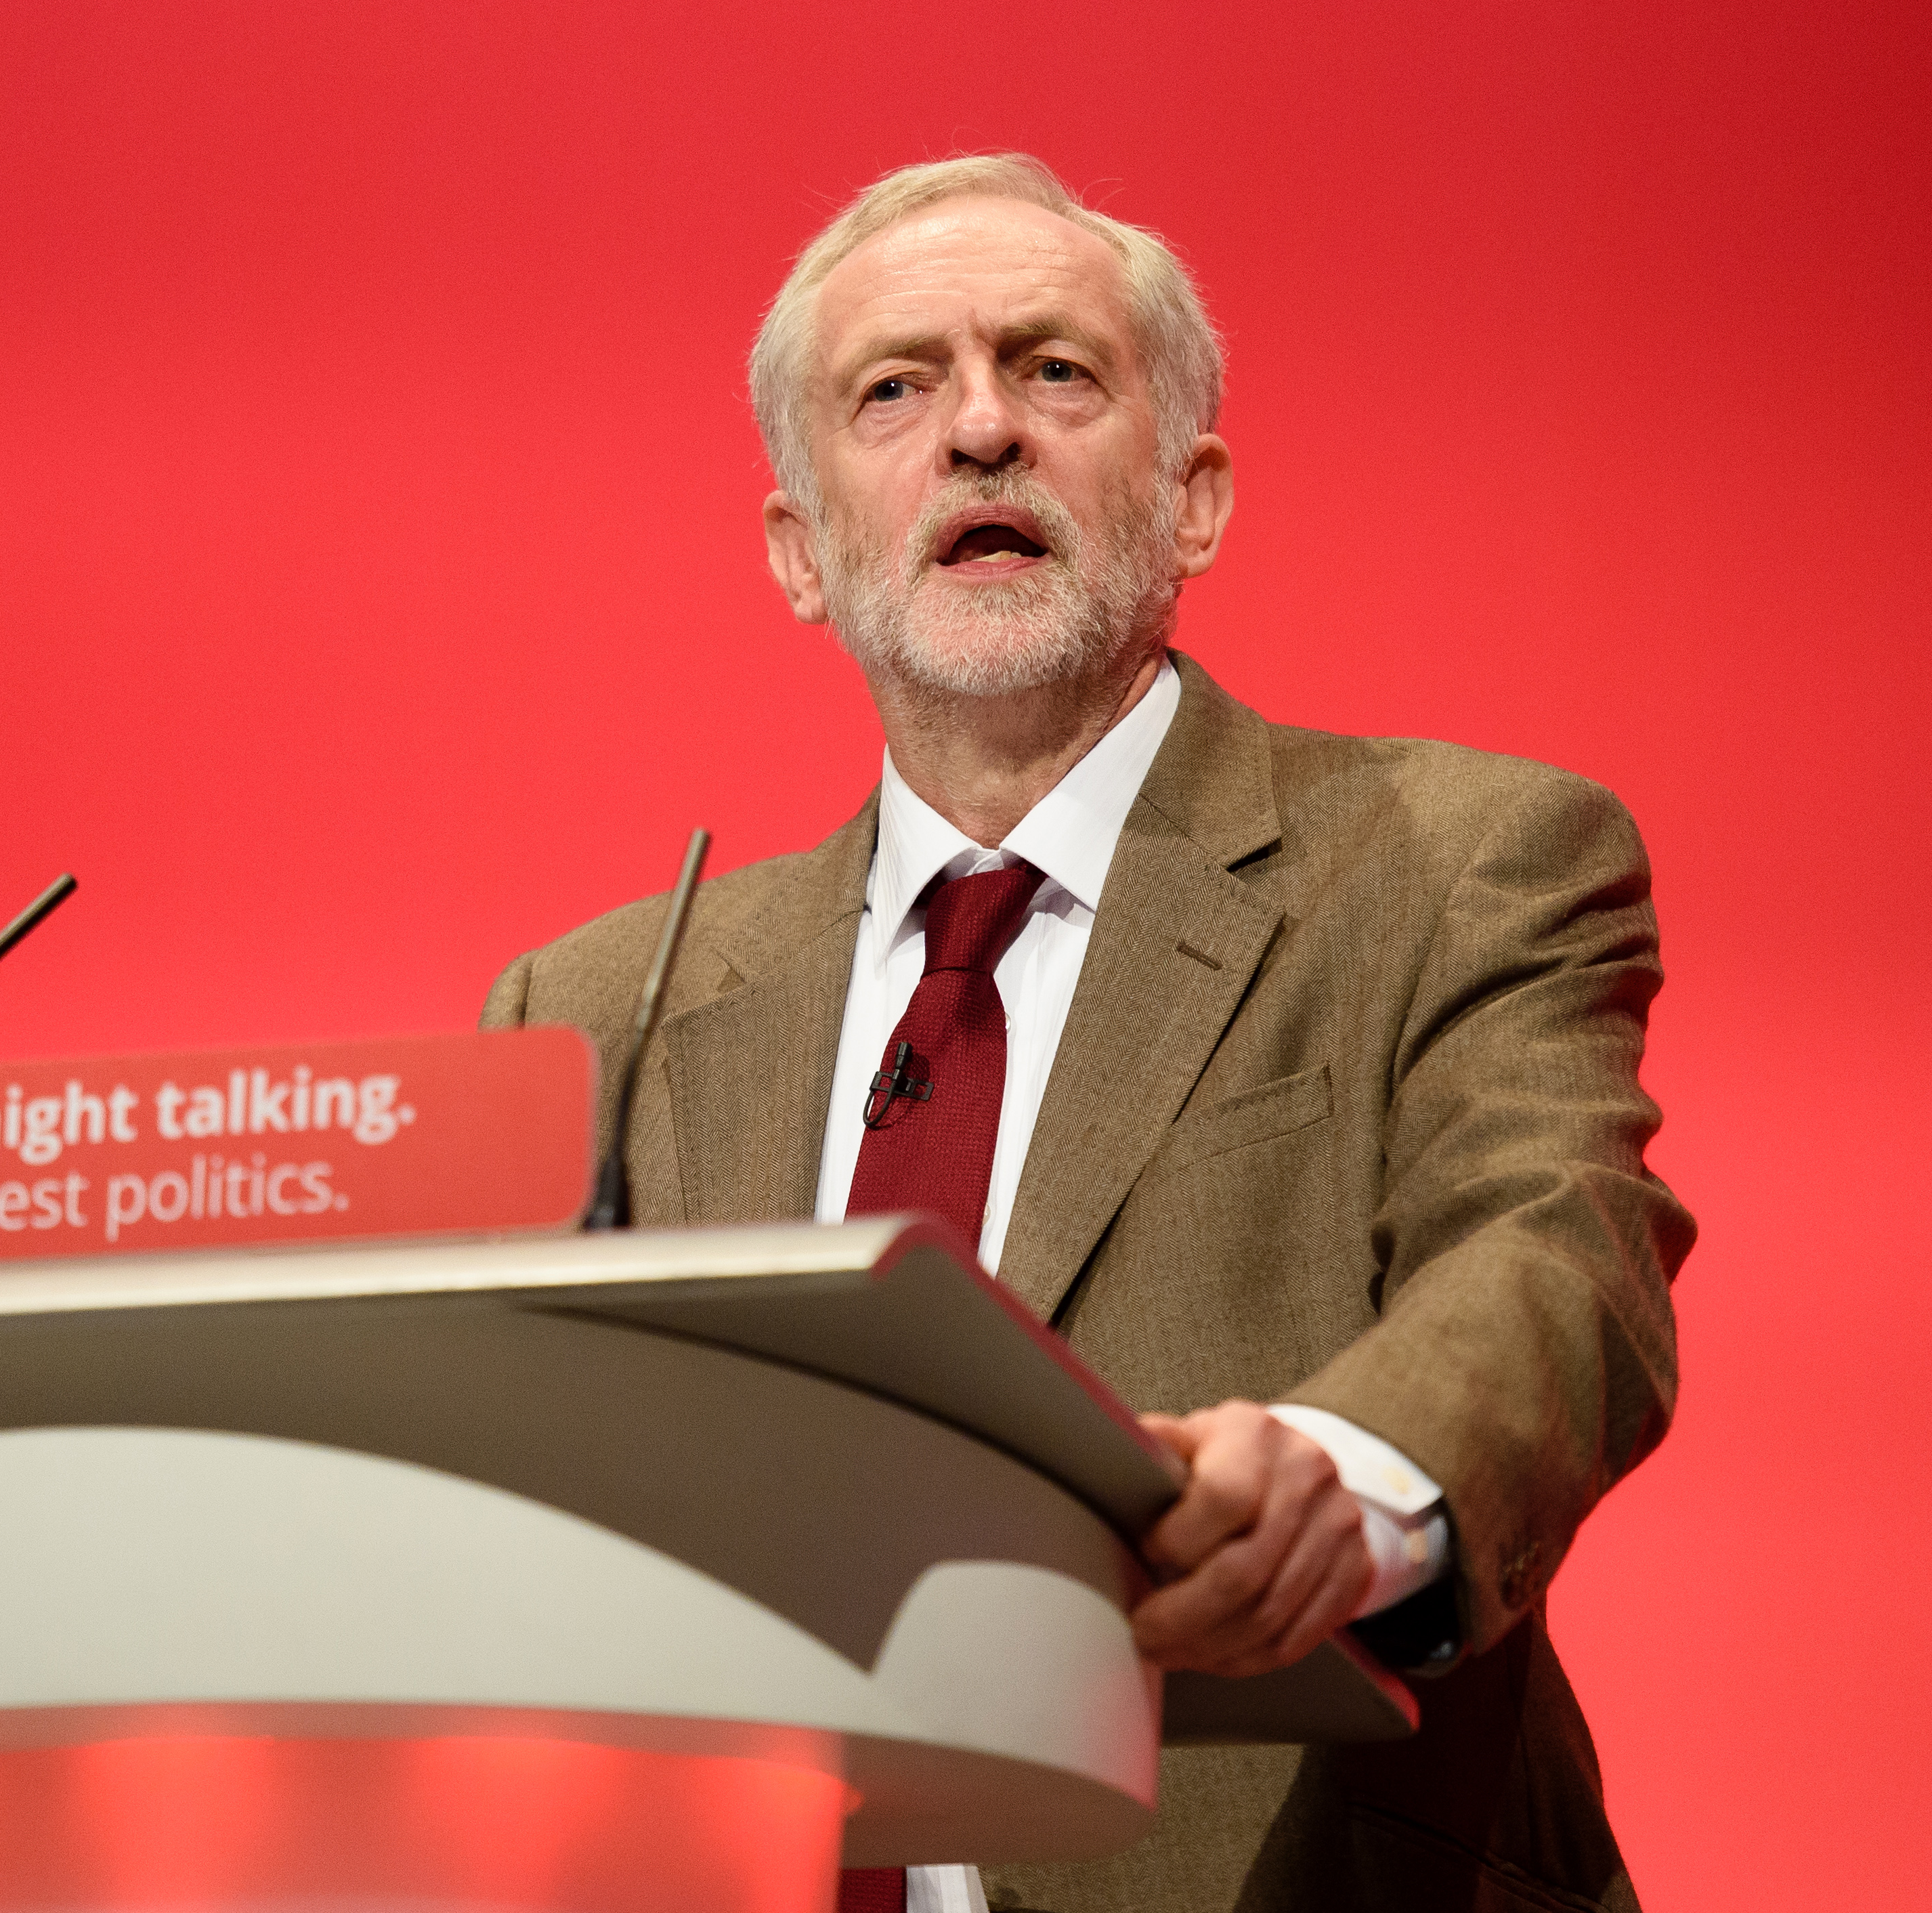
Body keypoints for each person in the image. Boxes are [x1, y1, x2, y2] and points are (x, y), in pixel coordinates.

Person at [477, 154, 1687, 1912]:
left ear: (1193, 500)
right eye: (894, 387)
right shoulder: (606, 1003)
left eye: (1055, 371)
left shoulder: (1460, 861)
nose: (980, 428)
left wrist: (1342, 1490)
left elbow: (1559, 1264)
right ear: (801, 549)